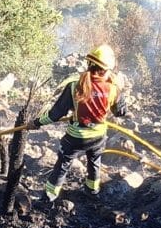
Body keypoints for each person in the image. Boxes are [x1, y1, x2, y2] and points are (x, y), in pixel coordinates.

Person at [29, 44, 127, 201]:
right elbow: (121, 112)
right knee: (94, 163)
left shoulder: (75, 85)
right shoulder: (113, 89)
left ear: (89, 64)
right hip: (98, 137)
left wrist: (36, 123)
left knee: (63, 165)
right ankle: (92, 192)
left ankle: (49, 197)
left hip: (75, 138)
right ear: (107, 70)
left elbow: (56, 114)